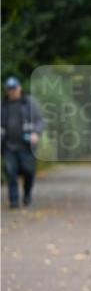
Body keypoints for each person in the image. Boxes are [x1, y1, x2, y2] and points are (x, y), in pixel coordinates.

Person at [1, 76, 43, 208]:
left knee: (28, 172)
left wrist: (36, 132)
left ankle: (27, 195)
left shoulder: (29, 102)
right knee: (11, 172)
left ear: (19, 88)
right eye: (9, 89)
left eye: (14, 88)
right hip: (9, 145)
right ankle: (13, 200)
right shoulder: (3, 104)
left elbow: (40, 119)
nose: (12, 91)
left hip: (26, 145)